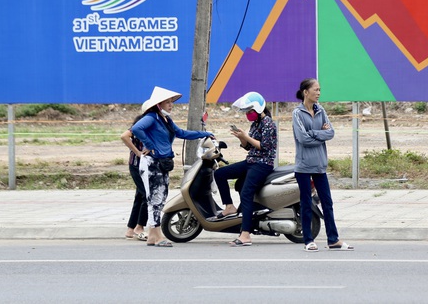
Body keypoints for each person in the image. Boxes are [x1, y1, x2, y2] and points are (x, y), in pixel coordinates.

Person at [131, 86, 214, 248]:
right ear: (158, 104)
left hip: (162, 163)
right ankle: (157, 235)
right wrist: (149, 144)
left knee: (160, 198)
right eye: (167, 102)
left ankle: (152, 236)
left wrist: (204, 134)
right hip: (152, 163)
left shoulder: (165, 120)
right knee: (154, 199)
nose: (171, 105)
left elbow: (182, 133)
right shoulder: (152, 117)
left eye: (171, 102)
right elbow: (136, 128)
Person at [292, 78, 353, 252]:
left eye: (320, 90)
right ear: (306, 92)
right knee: (305, 203)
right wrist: (320, 133)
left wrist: (313, 133)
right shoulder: (297, 113)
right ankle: (308, 240)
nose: (319, 93)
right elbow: (302, 139)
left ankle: (333, 239)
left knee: (327, 202)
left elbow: (331, 132)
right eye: (316, 90)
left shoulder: (321, 110)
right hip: (303, 166)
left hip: (320, 164)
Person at [212, 91, 277, 247]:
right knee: (220, 173)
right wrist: (241, 137)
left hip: (263, 164)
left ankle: (246, 235)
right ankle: (229, 206)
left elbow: (264, 147)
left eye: (250, 111)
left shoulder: (268, 123)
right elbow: (249, 147)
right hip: (251, 161)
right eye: (247, 112)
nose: (248, 114)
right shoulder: (255, 124)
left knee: (246, 193)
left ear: (258, 109)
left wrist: (246, 137)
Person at [120, 123, 148, 241]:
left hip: (142, 165)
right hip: (138, 165)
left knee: (140, 196)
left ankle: (130, 229)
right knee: (147, 195)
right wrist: (138, 152)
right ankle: (140, 227)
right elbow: (124, 136)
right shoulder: (144, 122)